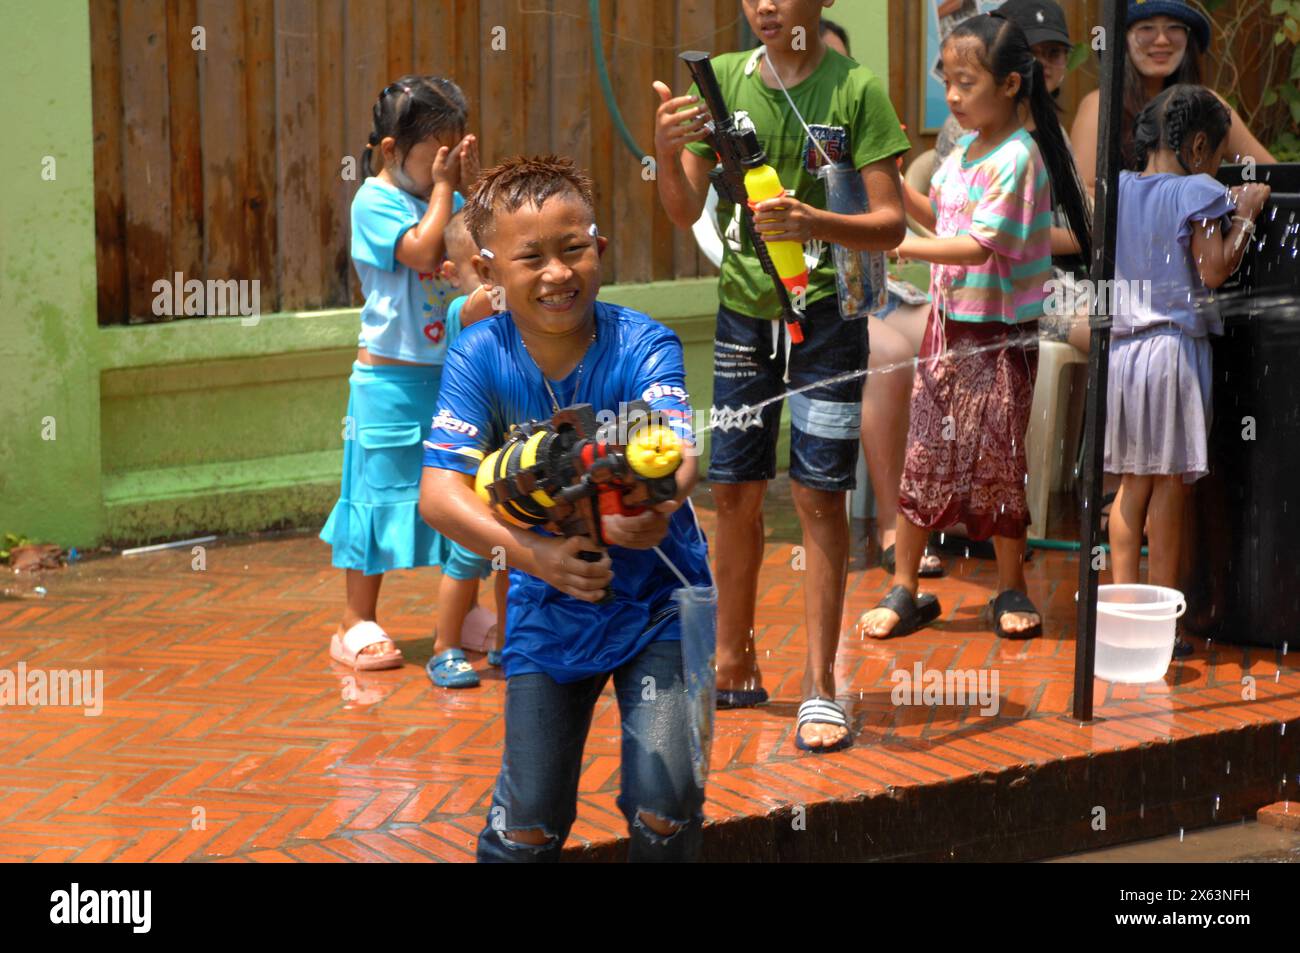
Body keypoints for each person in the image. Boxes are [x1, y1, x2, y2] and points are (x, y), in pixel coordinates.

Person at [419, 155, 711, 861]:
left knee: (666, 802)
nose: (558, 273)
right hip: (549, 603)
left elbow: (677, 444)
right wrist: (535, 555)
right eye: (532, 258)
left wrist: (660, 497)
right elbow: (438, 492)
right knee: (529, 822)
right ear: (489, 272)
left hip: (660, 597)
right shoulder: (478, 356)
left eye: (573, 249)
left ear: (600, 250)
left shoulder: (643, 341)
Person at [653, 0, 910, 753]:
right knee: (730, 486)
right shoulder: (723, 81)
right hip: (743, 312)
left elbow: (891, 223)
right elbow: (682, 210)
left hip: (829, 317)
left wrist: (813, 224)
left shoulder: (856, 90)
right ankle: (733, 660)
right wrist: (668, 154)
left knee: (818, 495)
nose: (764, 5)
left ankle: (823, 685)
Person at [853, 12, 1092, 642]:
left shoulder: (1020, 157)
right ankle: (906, 586)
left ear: (1012, 84)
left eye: (966, 82)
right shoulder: (965, 151)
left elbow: (979, 245)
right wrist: (902, 186)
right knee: (924, 455)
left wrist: (903, 244)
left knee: (998, 463)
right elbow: (948, 214)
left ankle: (1010, 587)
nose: (953, 97)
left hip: (997, 336)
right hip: (945, 330)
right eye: (948, 82)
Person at [320, 76, 479, 671]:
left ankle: (461, 613)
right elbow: (419, 249)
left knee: (455, 490)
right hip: (387, 384)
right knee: (376, 495)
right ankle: (355, 619)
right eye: (434, 154)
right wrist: (444, 192)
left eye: (453, 153)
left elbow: (473, 255)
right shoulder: (375, 200)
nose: (446, 167)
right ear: (391, 151)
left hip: (448, 378)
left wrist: (472, 188)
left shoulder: (452, 201)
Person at [1105, 85, 1271, 656]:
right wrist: (1245, 212)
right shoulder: (1198, 190)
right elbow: (1215, 268)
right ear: (1198, 145)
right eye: (1220, 155)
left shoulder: (1119, 189)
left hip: (1124, 354)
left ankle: (1123, 613)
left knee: (1131, 488)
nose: (1222, 168)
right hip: (1171, 353)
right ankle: (1162, 620)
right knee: (1171, 491)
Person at [1071, 0, 1276, 197]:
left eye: (1174, 28)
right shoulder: (1101, 105)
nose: (1161, 40)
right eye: (1146, 28)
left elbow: (1272, 175)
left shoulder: (1207, 104)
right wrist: (1156, 207)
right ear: (1122, 38)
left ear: (1188, 38)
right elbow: (1082, 193)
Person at [425, 212, 509, 686]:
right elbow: (489, 296)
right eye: (482, 267)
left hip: (507, 457)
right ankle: (444, 648)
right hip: (469, 461)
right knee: (465, 559)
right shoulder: (463, 311)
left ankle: (507, 640)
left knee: (508, 554)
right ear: (454, 274)